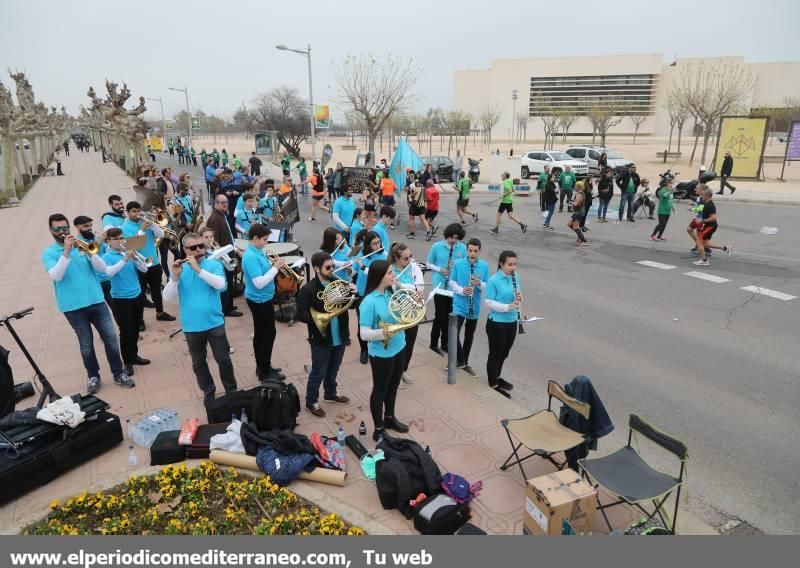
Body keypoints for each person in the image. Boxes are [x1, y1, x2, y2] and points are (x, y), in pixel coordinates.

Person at [42, 214, 133, 393]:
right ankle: (93, 376)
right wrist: (67, 252)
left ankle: (118, 372)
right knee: (86, 344)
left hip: (96, 301)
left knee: (111, 339)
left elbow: (103, 269)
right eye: (58, 229)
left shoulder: (81, 246)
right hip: (73, 307)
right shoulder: (49, 253)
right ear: (51, 230)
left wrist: (90, 253)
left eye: (65, 228)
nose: (62, 232)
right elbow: (56, 275)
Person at [163, 233, 238, 401]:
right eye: (194, 248)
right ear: (185, 250)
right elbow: (167, 296)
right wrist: (174, 276)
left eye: (201, 246)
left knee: (223, 359)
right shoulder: (181, 269)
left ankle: (231, 390)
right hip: (192, 326)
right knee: (198, 363)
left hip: (214, 322)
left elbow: (221, 285)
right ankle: (208, 391)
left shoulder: (213, 264)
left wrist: (198, 269)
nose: (199, 250)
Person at [296, 252, 352, 417]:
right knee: (318, 371)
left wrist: (353, 294)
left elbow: (351, 305)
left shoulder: (338, 282)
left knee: (334, 367)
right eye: (328, 267)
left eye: (332, 266)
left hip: (339, 335)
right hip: (321, 337)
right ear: (316, 268)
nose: (331, 269)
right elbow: (300, 313)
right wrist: (319, 319)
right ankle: (311, 401)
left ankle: (330, 393)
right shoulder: (308, 289)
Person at [358, 259, 408, 441]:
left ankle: (389, 419)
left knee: (393, 387)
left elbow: (402, 312)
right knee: (380, 390)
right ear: (379, 277)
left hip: (400, 346)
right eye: (389, 273)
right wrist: (385, 332)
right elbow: (364, 334)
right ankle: (378, 428)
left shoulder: (392, 292)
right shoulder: (369, 302)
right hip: (381, 354)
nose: (393, 275)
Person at [102, 227, 150, 376]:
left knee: (135, 328)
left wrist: (137, 259)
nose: (120, 241)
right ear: (108, 242)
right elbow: (110, 272)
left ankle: (134, 355)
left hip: (136, 294)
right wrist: (125, 259)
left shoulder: (128, 252)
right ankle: (127, 362)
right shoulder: (106, 257)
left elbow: (144, 270)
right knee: (126, 331)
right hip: (121, 298)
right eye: (116, 239)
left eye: (122, 238)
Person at [242, 223, 287, 381]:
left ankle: (262, 366)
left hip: (263, 298)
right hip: (259, 300)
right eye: (265, 240)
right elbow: (259, 282)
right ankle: (264, 370)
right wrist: (275, 268)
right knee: (268, 334)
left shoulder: (258, 251)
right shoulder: (251, 256)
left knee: (261, 333)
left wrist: (273, 266)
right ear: (255, 238)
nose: (266, 243)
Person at [121, 202, 176, 323]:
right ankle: (139, 319)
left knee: (156, 290)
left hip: (154, 262)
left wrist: (153, 225)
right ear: (128, 212)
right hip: (139, 265)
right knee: (140, 294)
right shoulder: (124, 228)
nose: (137, 214)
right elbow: (132, 246)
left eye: (138, 211)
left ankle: (160, 313)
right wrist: (141, 230)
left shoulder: (145, 223)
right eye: (134, 211)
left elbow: (161, 235)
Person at [448, 238, 489, 376]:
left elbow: (487, 286)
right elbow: (451, 282)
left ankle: (464, 362)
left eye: (475, 251)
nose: (472, 254)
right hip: (459, 304)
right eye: (470, 250)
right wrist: (461, 290)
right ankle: (460, 360)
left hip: (474, 305)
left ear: (479, 251)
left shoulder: (484, 266)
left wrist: (479, 283)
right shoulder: (458, 264)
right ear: (467, 250)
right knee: (453, 333)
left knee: (469, 336)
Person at [484, 250, 521, 399]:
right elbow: (489, 302)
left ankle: (497, 376)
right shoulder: (494, 280)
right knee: (495, 354)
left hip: (511, 321)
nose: (513, 267)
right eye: (510, 264)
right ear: (501, 264)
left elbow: (518, 291)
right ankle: (493, 383)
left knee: (505, 353)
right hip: (497, 323)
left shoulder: (515, 276)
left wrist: (520, 296)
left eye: (515, 264)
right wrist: (508, 307)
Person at [427, 223, 467, 356]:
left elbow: (465, 265)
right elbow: (428, 263)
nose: (453, 241)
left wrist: (455, 266)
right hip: (439, 286)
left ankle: (444, 344)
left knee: (449, 317)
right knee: (440, 316)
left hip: (452, 288)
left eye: (456, 238)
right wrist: (440, 269)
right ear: (447, 235)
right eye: (451, 238)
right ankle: (433, 343)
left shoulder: (462, 248)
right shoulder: (437, 246)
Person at [390, 243, 425, 385]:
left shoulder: (414, 267)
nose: (409, 260)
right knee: (395, 344)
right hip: (395, 313)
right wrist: (407, 287)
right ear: (396, 258)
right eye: (405, 258)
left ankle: (403, 370)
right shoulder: (389, 270)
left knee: (409, 343)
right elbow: (391, 288)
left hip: (412, 311)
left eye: (410, 256)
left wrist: (418, 293)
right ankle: (393, 374)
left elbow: (420, 286)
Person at [205, 195, 243, 317]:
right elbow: (213, 241)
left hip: (228, 253)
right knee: (225, 283)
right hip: (222, 257)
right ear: (216, 204)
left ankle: (229, 305)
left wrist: (235, 248)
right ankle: (226, 309)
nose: (225, 204)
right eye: (222, 203)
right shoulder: (215, 219)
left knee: (230, 282)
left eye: (226, 202)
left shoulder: (222, 216)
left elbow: (228, 237)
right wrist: (223, 256)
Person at [354, 230, 387, 364]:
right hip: (362, 294)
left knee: (378, 322)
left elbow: (378, 276)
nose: (377, 246)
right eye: (374, 244)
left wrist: (362, 267)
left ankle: (377, 348)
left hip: (377, 294)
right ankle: (364, 349)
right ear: (367, 245)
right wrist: (349, 267)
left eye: (378, 242)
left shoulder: (384, 256)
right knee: (362, 324)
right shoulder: (362, 255)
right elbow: (354, 271)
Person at [74, 215, 113, 307]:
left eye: (90, 225)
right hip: (95, 281)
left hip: (108, 276)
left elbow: (107, 250)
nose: (90, 228)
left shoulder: (95, 237)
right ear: (77, 227)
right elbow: (90, 253)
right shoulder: (78, 242)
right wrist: (99, 241)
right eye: (86, 226)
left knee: (116, 307)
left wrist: (111, 242)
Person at [690, 187, 733, 266]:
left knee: (699, 242)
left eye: (703, 195)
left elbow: (714, 217)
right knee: (705, 244)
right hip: (708, 226)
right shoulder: (705, 202)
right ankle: (726, 248)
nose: (702, 196)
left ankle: (704, 260)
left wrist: (702, 221)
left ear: (707, 196)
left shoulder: (711, 205)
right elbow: (700, 208)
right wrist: (692, 209)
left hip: (710, 226)